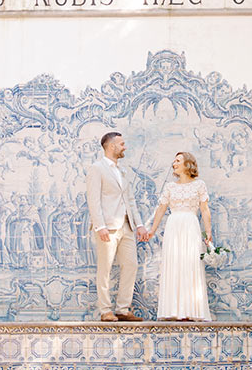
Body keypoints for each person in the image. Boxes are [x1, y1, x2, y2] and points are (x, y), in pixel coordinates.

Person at [86, 131, 149, 322]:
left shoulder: (122, 171)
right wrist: (100, 226)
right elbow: (93, 199)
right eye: (121, 144)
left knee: (131, 265)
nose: (124, 147)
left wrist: (139, 225)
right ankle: (105, 310)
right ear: (112, 146)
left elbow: (130, 200)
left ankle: (122, 309)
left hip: (126, 226)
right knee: (104, 268)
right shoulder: (97, 168)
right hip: (108, 227)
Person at [147, 151, 213, 321]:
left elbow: (205, 209)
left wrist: (208, 232)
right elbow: (161, 209)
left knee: (190, 264)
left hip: (191, 225)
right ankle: (174, 311)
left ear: (187, 164)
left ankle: (192, 311)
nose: (174, 163)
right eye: (174, 161)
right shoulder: (170, 186)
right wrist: (152, 230)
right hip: (173, 226)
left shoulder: (199, 185)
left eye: (178, 160)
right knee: (174, 264)